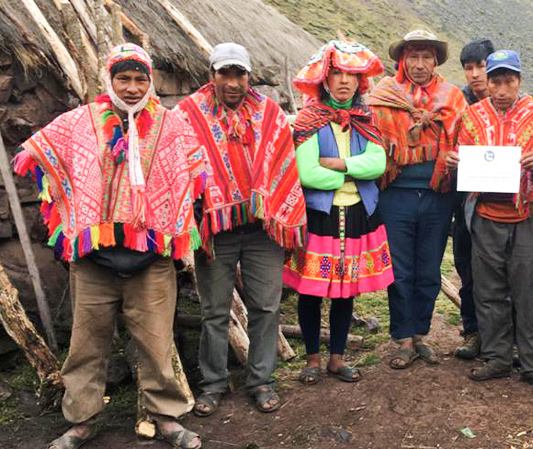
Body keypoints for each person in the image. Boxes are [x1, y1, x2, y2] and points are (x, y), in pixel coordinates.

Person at [14, 43, 205, 449]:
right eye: (124, 78)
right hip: (94, 261)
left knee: (156, 344)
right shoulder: (79, 123)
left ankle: (167, 419)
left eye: (140, 79)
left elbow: (193, 173)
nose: (133, 87)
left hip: (151, 259)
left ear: (149, 81)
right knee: (86, 345)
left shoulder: (171, 127)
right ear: (110, 80)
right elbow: (35, 154)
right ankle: (81, 422)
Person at [176, 43, 306, 416]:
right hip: (216, 230)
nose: (232, 83)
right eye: (224, 74)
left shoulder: (269, 114)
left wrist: (276, 206)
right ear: (212, 75)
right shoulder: (188, 114)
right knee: (214, 311)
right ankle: (213, 383)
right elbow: (179, 165)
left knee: (265, 306)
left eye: (240, 75)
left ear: (249, 77)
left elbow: (283, 165)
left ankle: (261, 380)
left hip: (264, 229)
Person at [445, 50, 533, 392]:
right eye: (495, 82)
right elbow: (459, 166)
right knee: (489, 292)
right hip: (485, 218)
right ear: (487, 83)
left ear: (519, 81)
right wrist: (455, 163)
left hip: (525, 218)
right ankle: (497, 358)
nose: (501, 89)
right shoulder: (471, 117)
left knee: (527, 291)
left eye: (508, 81)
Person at [285, 40, 393, 385]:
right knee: (312, 289)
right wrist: (353, 170)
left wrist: (340, 164)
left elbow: (378, 164)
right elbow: (307, 173)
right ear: (324, 79)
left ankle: (337, 357)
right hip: (321, 216)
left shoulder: (366, 118)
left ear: (359, 81)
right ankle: (312, 359)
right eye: (337, 74)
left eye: (351, 74)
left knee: (347, 289)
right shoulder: (310, 119)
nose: (344, 81)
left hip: (358, 214)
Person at [367, 29, 468, 369]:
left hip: (438, 196)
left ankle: (420, 333)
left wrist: (458, 157)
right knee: (400, 269)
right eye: (413, 57)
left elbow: (466, 139)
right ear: (402, 60)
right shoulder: (383, 95)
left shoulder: (453, 99)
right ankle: (403, 337)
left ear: (436, 60)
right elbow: (371, 139)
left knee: (428, 268)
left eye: (427, 57)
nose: (420, 64)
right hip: (395, 196)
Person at [454, 38, 495, 360]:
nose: (475, 74)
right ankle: (472, 331)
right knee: (467, 267)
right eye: (469, 68)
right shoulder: (456, 104)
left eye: (480, 66)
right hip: (464, 201)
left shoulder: (511, 104)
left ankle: (501, 335)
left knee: (499, 271)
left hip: (501, 205)